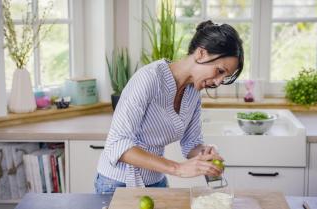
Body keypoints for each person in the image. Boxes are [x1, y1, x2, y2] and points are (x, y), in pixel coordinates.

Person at [94, 20, 244, 194]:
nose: (218, 82)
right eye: (219, 71)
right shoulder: (150, 78)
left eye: (225, 77)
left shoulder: (193, 92)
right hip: (116, 183)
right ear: (201, 54)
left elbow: (191, 143)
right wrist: (178, 169)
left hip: (156, 181)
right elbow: (117, 144)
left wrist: (205, 154)